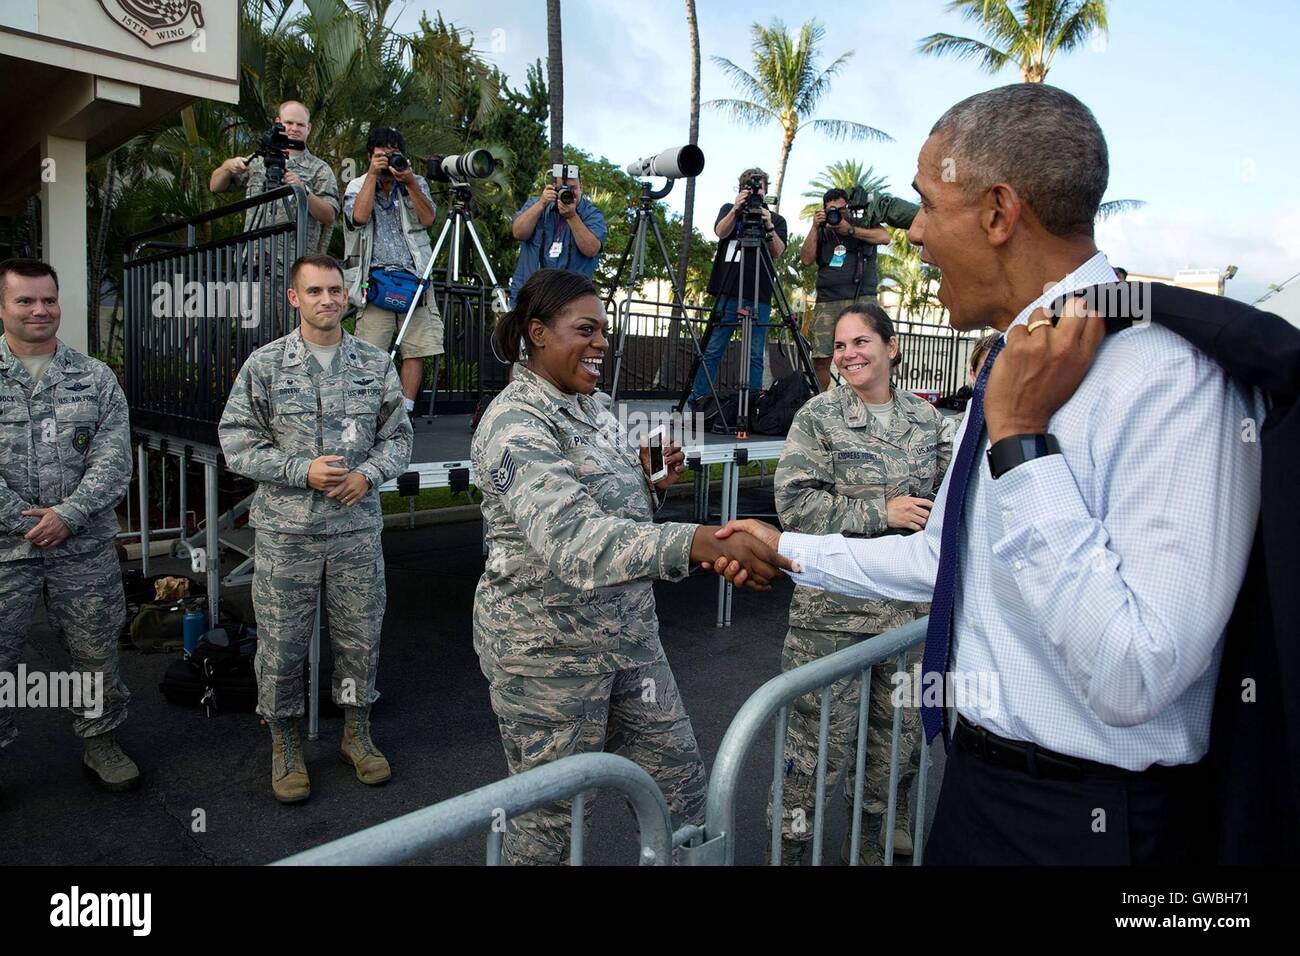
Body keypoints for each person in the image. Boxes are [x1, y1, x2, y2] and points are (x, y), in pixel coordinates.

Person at [715, 84, 1264, 865]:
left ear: (1000, 212)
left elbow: (1136, 674)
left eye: (928, 207)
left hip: (1092, 828)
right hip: (977, 796)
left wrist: (1021, 443)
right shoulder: (1015, 357)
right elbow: (946, 561)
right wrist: (789, 548)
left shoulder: (1171, 379)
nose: (913, 238)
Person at [471, 268, 785, 865]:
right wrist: (698, 542)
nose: (602, 344)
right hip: (549, 657)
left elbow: (611, 508)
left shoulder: (596, 405)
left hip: (629, 641)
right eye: (585, 330)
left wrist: (651, 484)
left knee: (684, 797)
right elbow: (572, 540)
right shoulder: (515, 422)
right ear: (537, 333)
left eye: (605, 332)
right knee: (548, 829)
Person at [218, 254, 413, 804]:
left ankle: (356, 733)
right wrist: (297, 470)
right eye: (316, 291)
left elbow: (397, 439)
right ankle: (283, 741)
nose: (328, 300)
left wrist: (368, 475)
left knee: (360, 638)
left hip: (354, 529)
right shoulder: (266, 365)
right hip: (287, 533)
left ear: (347, 295)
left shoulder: (375, 364)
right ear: (294, 298)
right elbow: (235, 441)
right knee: (281, 645)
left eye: (336, 290)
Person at [769, 303, 955, 865]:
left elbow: (950, 506)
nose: (848, 354)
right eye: (842, 345)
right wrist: (882, 512)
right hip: (832, 619)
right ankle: (788, 853)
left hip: (907, 620)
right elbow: (794, 505)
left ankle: (869, 850)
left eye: (861, 342)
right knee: (812, 755)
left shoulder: (928, 423)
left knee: (894, 753)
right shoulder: (818, 417)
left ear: (891, 347)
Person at [0, 258, 138, 792]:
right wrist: (25, 520)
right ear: (4, 307)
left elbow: (113, 458)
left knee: (96, 649)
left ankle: (101, 741)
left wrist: (69, 515)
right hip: (5, 550)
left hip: (82, 548)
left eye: (49, 300)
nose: (40, 310)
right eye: (25, 300)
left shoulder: (94, 377)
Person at [342, 126, 444, 415]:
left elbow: (428, 219)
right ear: (369, 157)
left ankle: (405, 412)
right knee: (369, 350)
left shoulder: (415, 182)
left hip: (416, 278)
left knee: (416, 349)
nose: (387, 162)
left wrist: (409, 182)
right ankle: (368, 411)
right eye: (380, 156)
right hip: (374, 280)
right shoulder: (357, 185)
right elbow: (359, 217)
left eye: (392, 155)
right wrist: (373, 177)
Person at [687, 168, 789, 408]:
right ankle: (698, 400)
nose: (755, 191)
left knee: (754, 354)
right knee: (713, 349)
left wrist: (768, 224)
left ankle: (751, 405)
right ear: (741, 189)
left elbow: (778, 251)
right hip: (729, 289)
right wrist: (735, 209)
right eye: (750, 187)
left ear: (766, 190)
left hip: (759, 293)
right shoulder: (729, 210)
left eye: (759, 187)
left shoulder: (776, 219)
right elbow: (719, 232)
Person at [799, 188, 918, 392]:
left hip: (863, 298)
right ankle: (819, 405)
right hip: (828, 301)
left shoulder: (862, 222)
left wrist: (850, 230)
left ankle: (869, 399)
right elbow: (806, 259)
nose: (836, 214)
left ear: (849, 207)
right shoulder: (822, 231)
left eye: (841, 209)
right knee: (821, 357)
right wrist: (814, 227)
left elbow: (884, 237)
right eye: (831, 210)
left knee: (870, 352)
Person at [209, 100, 340, 256]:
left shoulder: (320, 169)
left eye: (300, 125)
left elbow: (329, 216)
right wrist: (227, 167)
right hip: (252, 260)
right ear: (278, 122)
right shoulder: (258, 160)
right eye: (289, 122)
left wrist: (303, 190)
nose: (294, 129)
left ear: (309, 128)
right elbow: (215, 186)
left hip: (294, 264)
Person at [508, 165, 607, 306]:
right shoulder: (536, 204)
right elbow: (518, 232)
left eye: (573, 188)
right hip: (530, 294)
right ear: (553, 186)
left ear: (581, 187)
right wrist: (541, 204)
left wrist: (572, 217)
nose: (568, 193)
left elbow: (591, 249)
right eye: (563, 188)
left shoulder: (591, 214)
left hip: (571, 298)